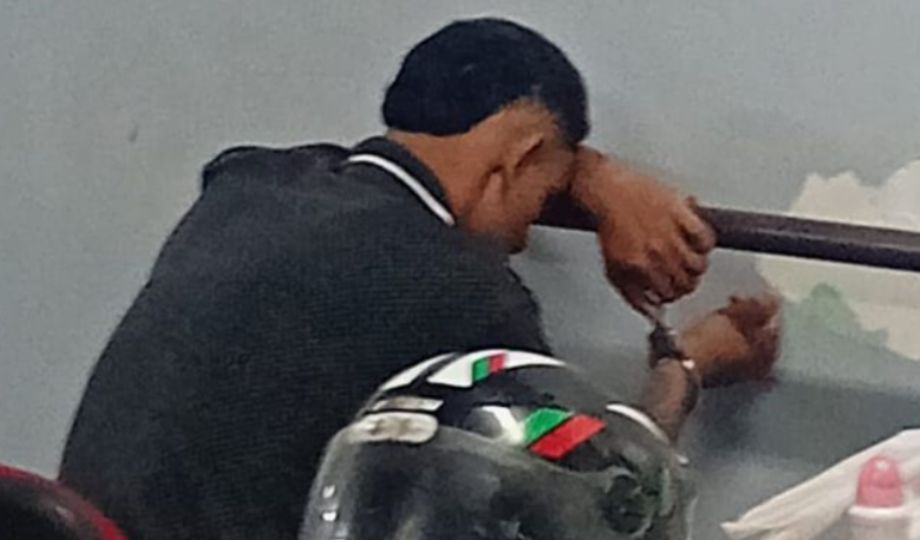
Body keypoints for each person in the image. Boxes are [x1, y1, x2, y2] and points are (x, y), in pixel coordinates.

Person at [59, 17, 776, 540]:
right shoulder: (463, 293)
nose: (526, 234)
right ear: (518, 158)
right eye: (544, 193)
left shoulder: (250, 183)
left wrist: (587, 174)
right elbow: (592, 503)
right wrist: (685, 367)